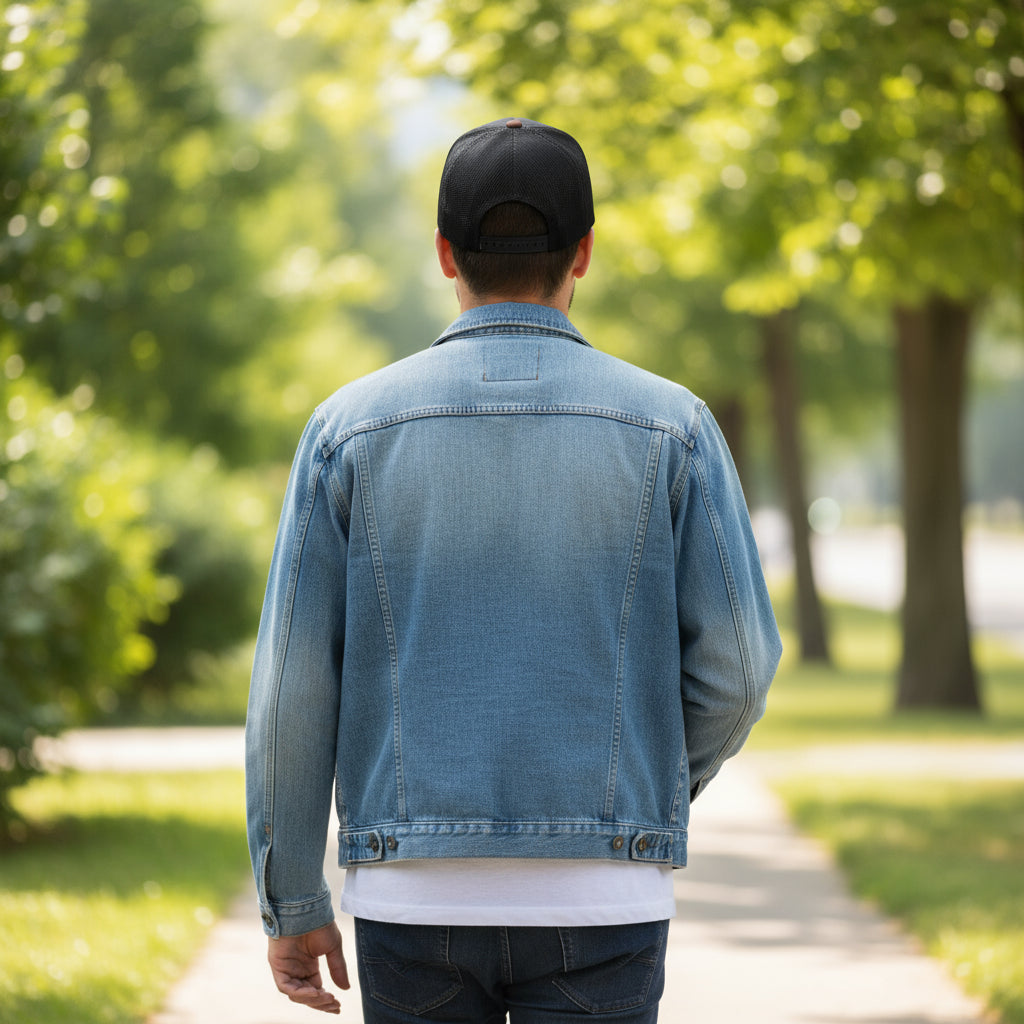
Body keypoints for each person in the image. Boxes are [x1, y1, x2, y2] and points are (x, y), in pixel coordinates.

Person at [245, 117, 782, 1023]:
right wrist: (637, 782)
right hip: (604, 896)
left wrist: (292, 899)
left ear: (444, 253)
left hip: (411, 897)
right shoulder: (675, 427)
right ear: (586, 252)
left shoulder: (346, 431)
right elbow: (739, 670)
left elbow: (290, 691)